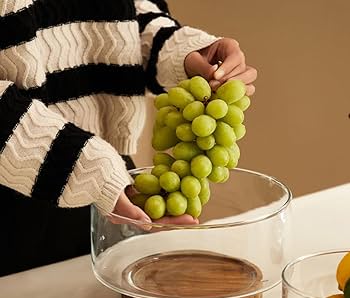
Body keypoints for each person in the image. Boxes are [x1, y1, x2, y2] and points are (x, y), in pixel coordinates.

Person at [0, 0, 257, 276]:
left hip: (109, 186)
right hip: (14, 210)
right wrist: (88, 167)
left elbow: (122, 13)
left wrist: (181, 51)